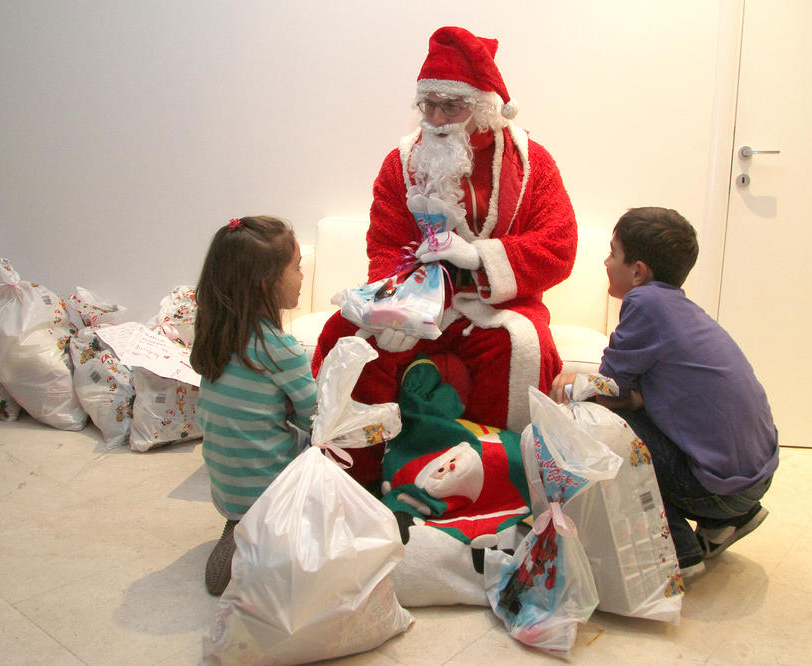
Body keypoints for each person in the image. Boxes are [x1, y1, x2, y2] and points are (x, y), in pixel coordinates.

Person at [312, 26, 578, 488]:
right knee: (351, 338)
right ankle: (360, 481)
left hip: (498, 306)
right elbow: (385, 245)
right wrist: (396, 310)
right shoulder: (400, 161)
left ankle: (499, 482)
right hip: (417, 302)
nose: (435, 117)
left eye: (450, 105)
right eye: (427, 104)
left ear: (484, 106)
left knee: (524, 348)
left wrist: (479, 257)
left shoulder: (533, 163)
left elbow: (559, 246)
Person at [550, 207, 778, 578]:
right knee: (627, 414)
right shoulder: (677, 307)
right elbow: (640, 392)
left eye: (613, 253)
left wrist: (575, 381)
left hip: (720, 490)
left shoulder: (643, 303)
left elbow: (609, 390)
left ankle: (679, 547)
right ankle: (730, 519)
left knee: (600, 423)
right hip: (756, 479)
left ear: (638, 271)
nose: (606, 262)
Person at [191, 215, 317, 595]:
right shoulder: (279, 349)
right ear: (267, 282)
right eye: (296, 268)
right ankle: (266, 530)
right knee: (336, 452)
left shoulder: (217, 338)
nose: (302, 277)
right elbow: (317, 420)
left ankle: (243, 524)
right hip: (266, 483)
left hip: (228, 483)